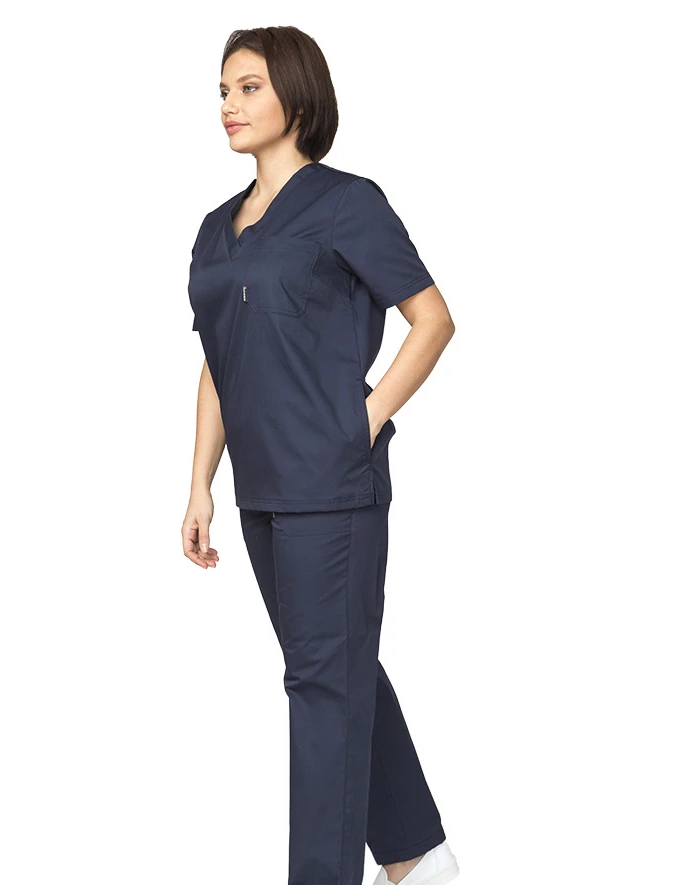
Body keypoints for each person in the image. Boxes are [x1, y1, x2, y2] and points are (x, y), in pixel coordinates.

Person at [182, 25, 460, 885]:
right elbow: (218, 359)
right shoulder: (216, 229)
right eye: (223, 90)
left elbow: (432, 319)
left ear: (297, 98)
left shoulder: (347, 204)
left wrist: (362, 420)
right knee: (334, 668)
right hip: (262, 491)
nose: (228, 105)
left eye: (249, 88)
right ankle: (419, 856)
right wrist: (199, 483)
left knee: (322, 685)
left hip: (332, 487)